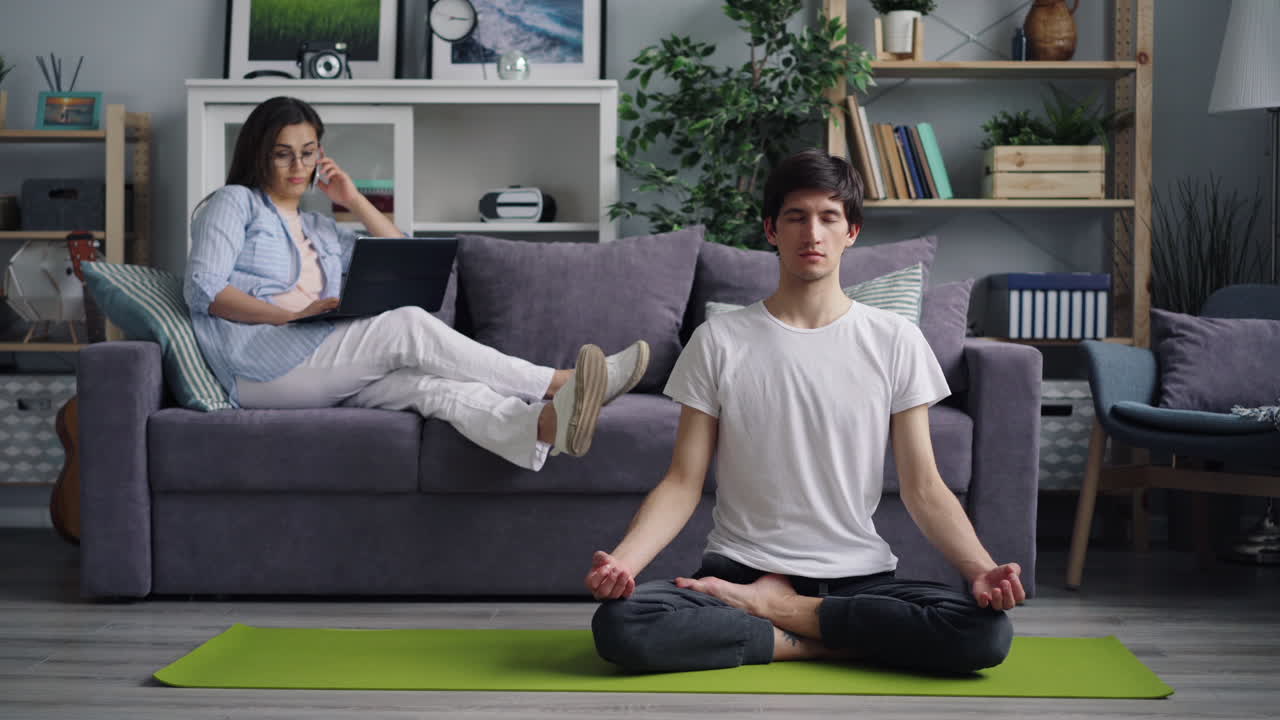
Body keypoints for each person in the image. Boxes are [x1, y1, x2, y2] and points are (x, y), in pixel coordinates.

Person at [584, 149, 1024, 674]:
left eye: (828, 216)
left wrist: (979, 570)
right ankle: (829, 638)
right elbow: (682, 481)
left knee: (986, 632)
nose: (811, 233)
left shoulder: (896, 340)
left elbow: (924, 487)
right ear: (772, 230)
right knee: (621, 625)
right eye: (796, 217)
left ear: (851, 230)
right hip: (740, 572)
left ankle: (780, 616)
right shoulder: (718, 340)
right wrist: (625, 564)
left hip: (857, 577)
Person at [184, 96, 649, 469]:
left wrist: (354, 201)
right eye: (282, 155)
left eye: (308, 153)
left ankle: (546, 425)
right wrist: (290, 315)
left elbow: (399, 253)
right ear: (258, 155)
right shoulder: (234, 203)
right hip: (261, 367)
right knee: (406, 324)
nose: (297, 167)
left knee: (430, 386)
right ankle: (557, 382)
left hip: (318, 358)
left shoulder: (319, 227)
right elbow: (203, 289)